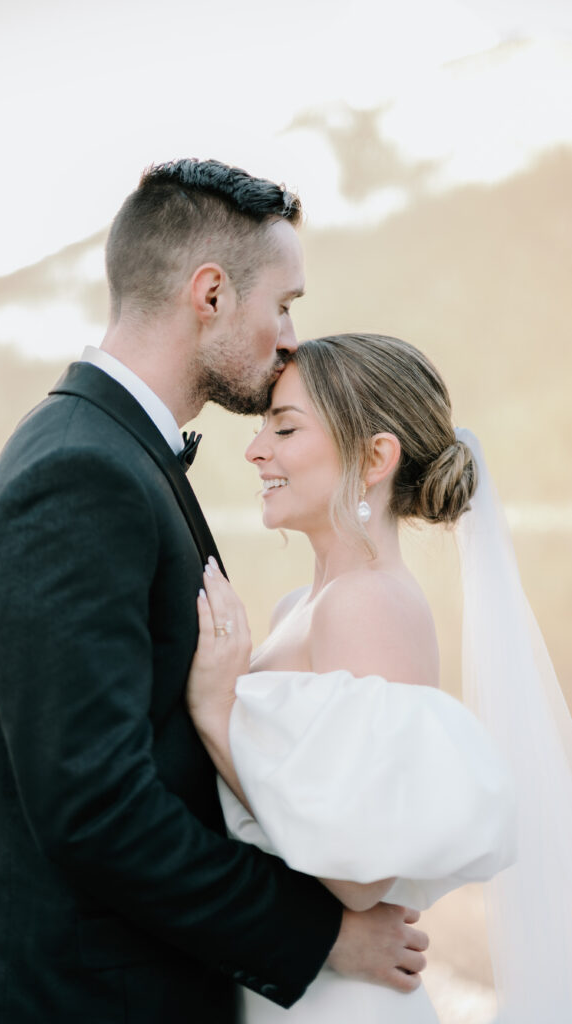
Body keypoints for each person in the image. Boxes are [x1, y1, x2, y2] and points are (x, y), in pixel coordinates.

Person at [0, 167, 430, 1024]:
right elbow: (96, 809)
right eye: (282, 304)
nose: (288, 338)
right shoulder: (78, 474)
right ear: (209, 293)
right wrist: (322, 936)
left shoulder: (111, 453)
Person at [186, 333, 530, 1022]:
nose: (256, 450)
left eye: (284, 428)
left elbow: (360, 874)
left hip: (340, 999)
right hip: (291, 980)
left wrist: (216, 715)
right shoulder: (303, 606)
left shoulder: (367, 602)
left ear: (375, 457)